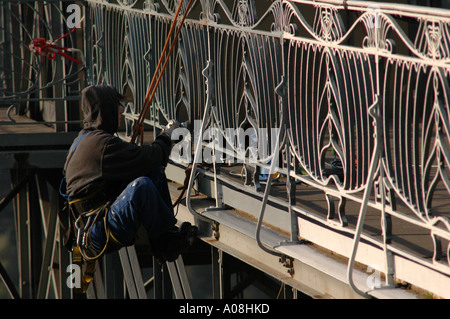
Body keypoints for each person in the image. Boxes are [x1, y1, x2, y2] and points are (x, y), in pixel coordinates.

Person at [61, 84, 197, 264]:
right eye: (117, 107)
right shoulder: (101, 145)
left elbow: (144, 163)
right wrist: (166, 137)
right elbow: (148, 157)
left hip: (95, 221)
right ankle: (167, 244)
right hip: (98, 230)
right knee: (141, 186)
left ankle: (166, 236)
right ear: (106, 111)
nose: (122, 112)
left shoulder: (85, 139)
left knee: (152, 172)